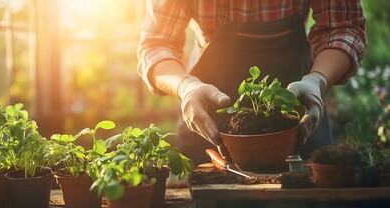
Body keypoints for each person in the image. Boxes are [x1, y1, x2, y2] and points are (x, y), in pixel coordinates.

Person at [137, 0, 367, 166]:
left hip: (298, 105)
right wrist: (186, 87)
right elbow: (157, 44)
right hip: (206, 107)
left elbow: (343, 27)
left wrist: (318, 80)